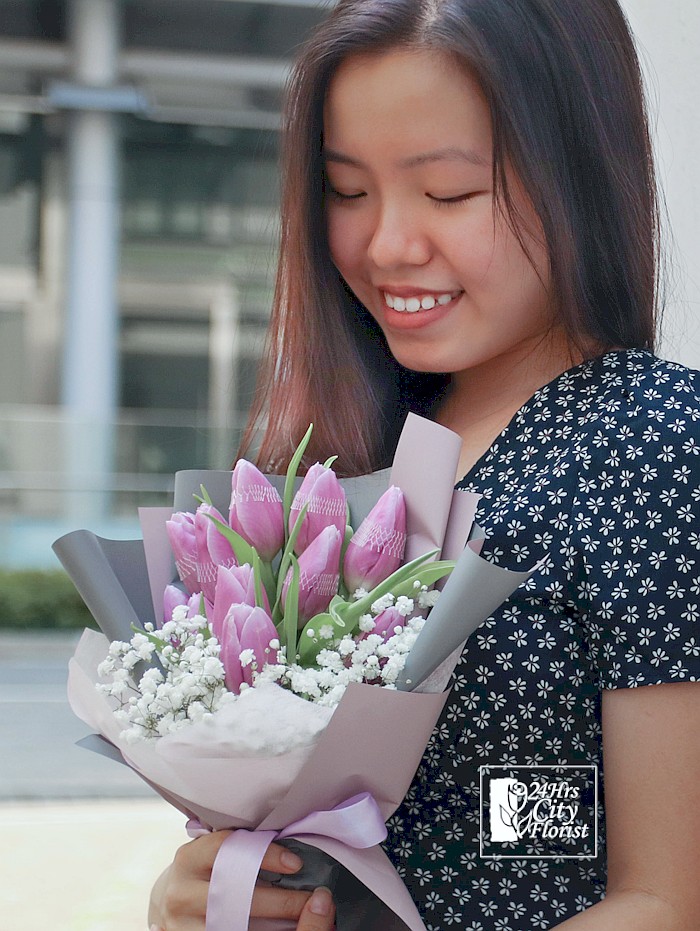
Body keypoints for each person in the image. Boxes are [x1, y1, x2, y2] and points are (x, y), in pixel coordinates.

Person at [149, 0, 700, 928]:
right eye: (348, 191)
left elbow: (666, 897)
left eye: (448, 192)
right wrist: (204, 893)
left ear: (580, 175)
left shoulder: (649, 442)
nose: (388, 245)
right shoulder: (332, 450)